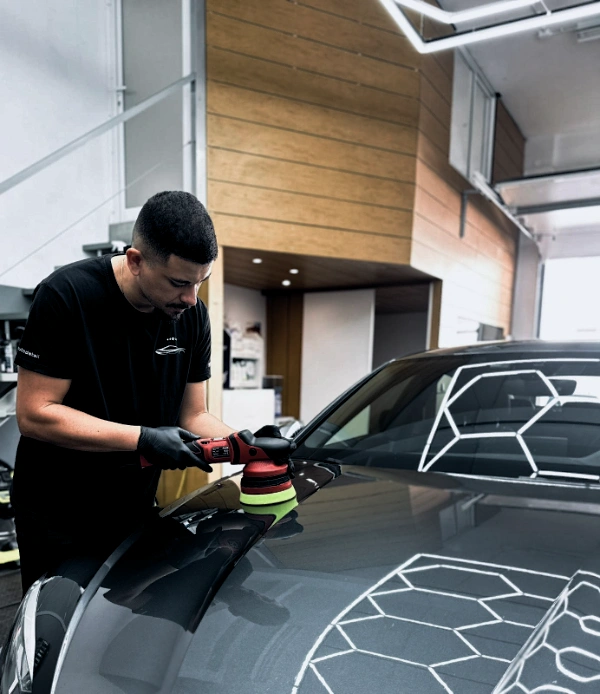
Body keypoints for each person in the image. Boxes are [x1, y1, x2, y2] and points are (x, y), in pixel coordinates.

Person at [12, 190, 239, 593]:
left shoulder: (190, 315)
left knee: (123, 623)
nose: (191, 299)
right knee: (56, 630)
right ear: (135, 262)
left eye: (200, 284)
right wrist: (143, 439)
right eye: (178, 283)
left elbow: (192, 416)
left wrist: (242, 444)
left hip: (133, 507)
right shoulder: (67, 295)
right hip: (58, 511)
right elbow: (34, 413)